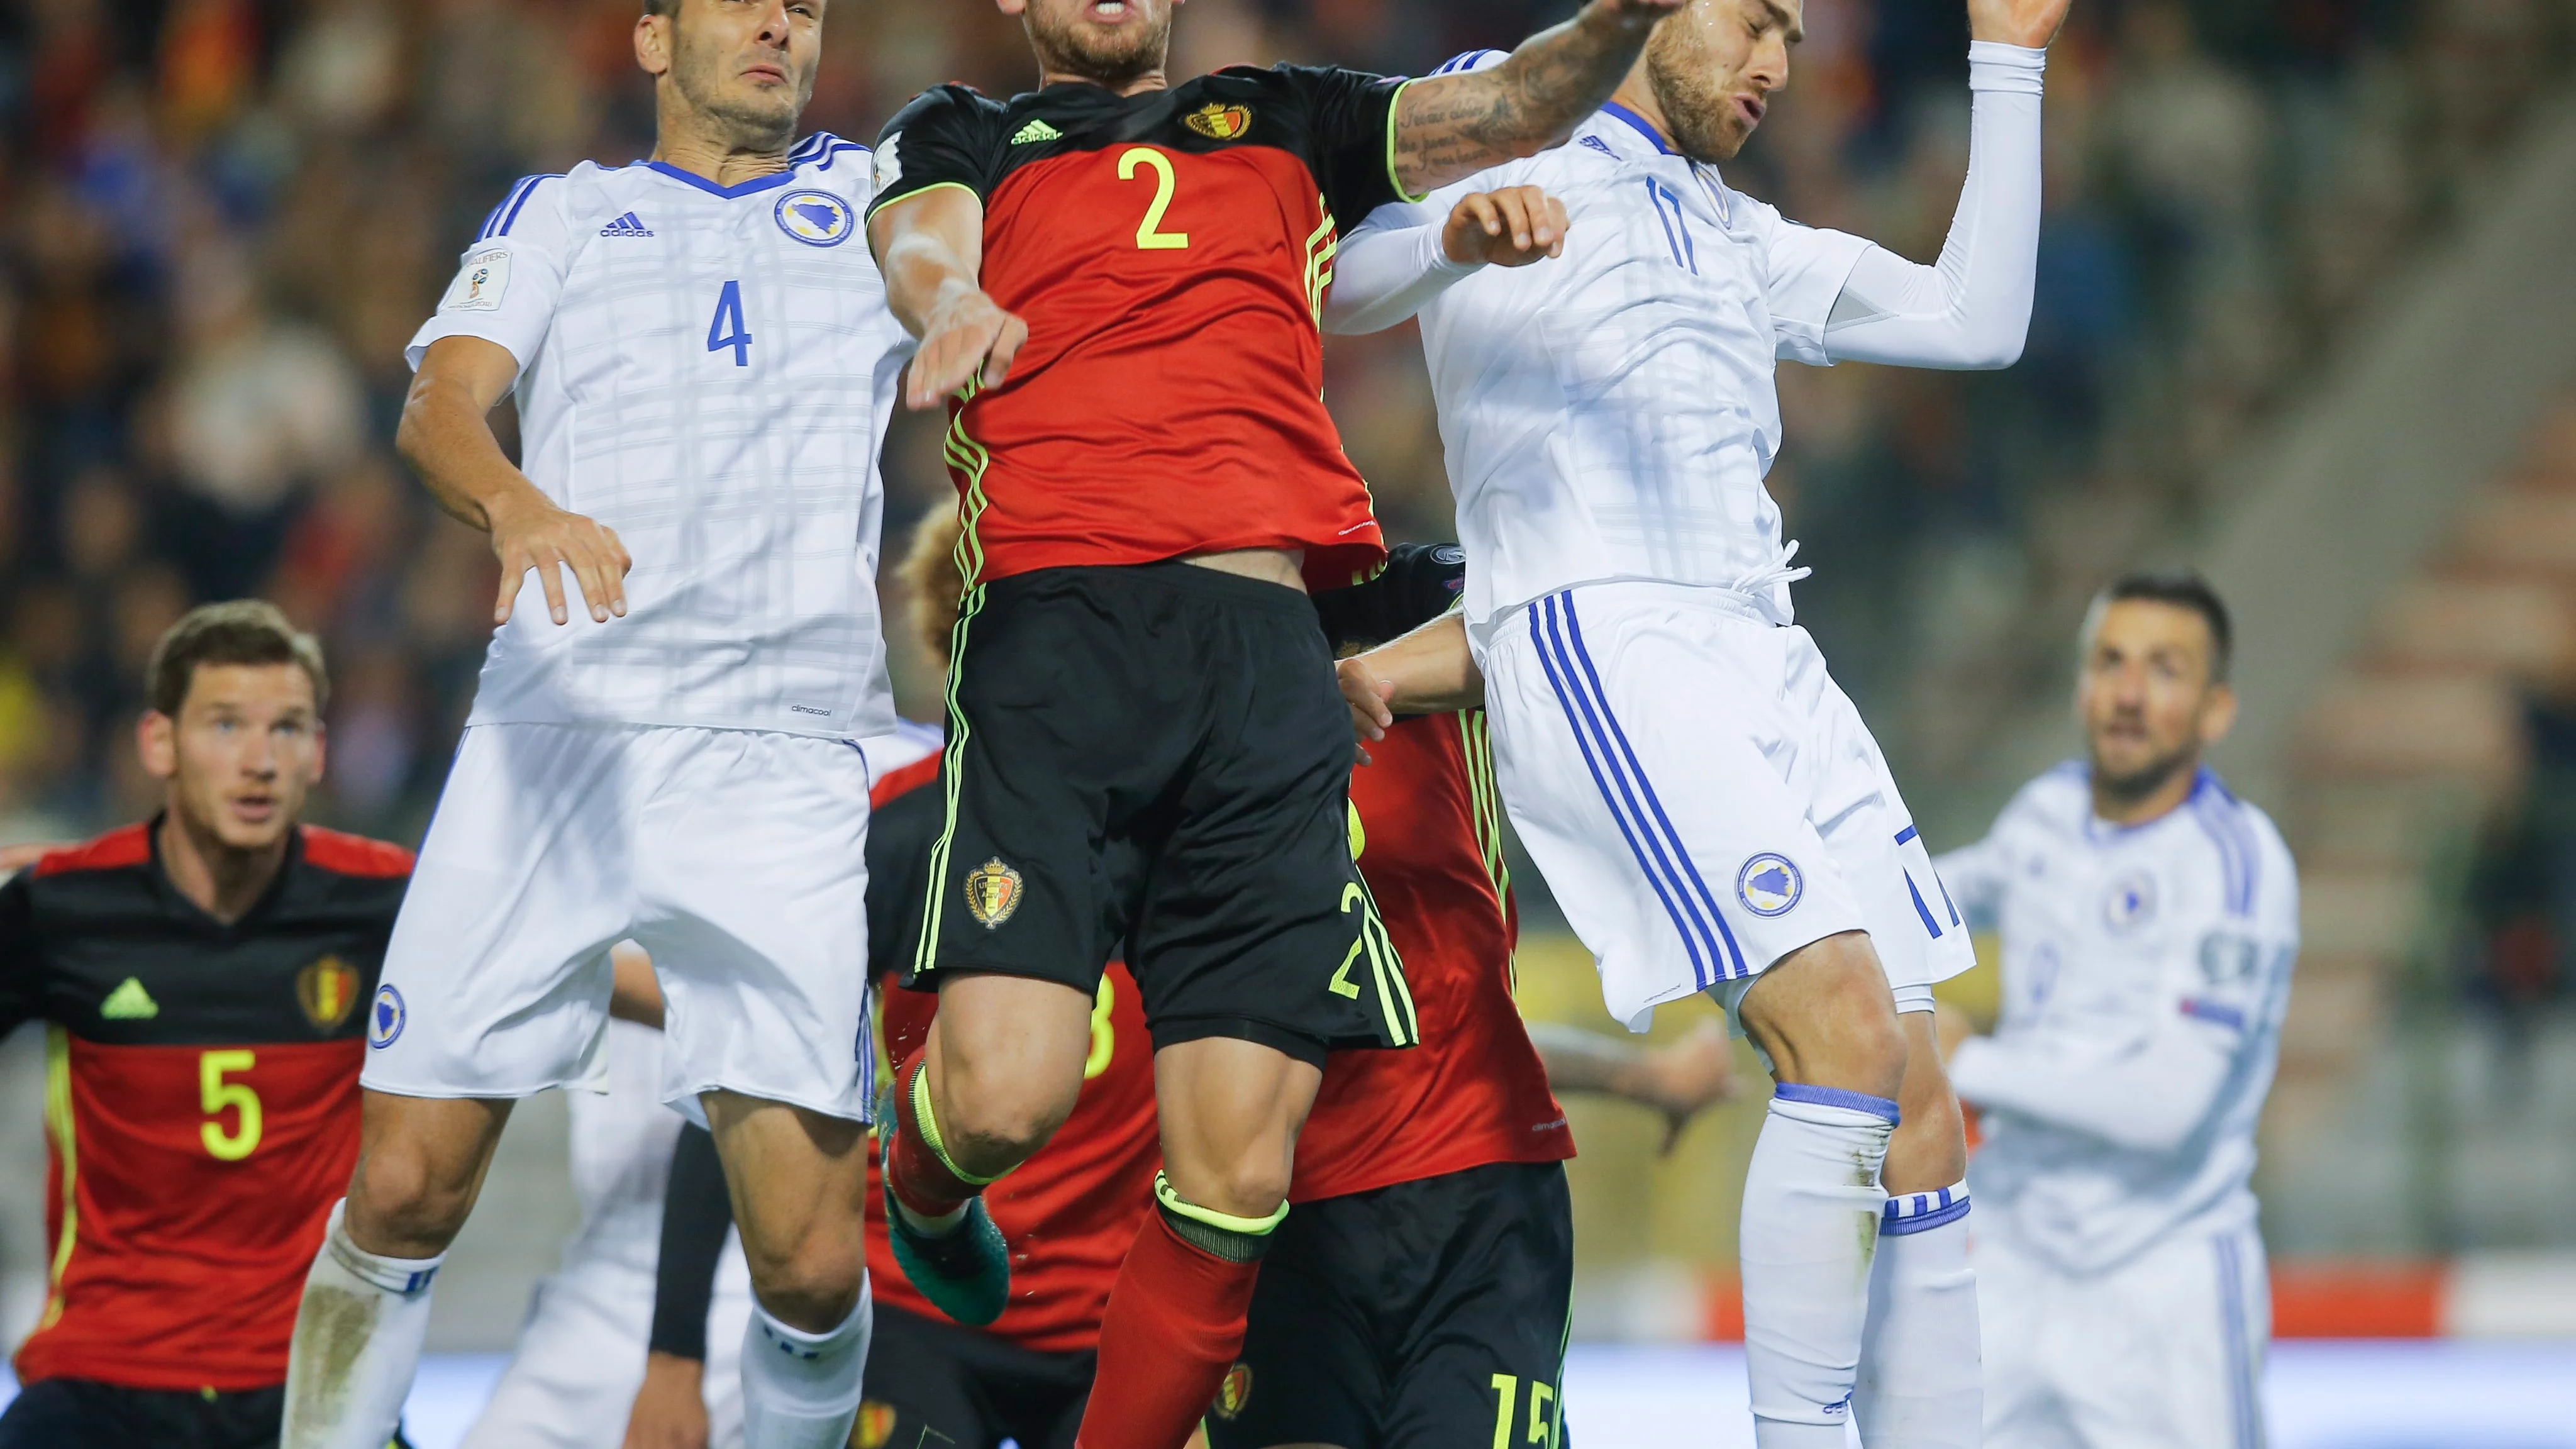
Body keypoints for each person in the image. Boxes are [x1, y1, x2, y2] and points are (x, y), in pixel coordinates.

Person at [860, 1, 1693, 1443]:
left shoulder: (1287, 116)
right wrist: (948, 304)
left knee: (1234, 1180)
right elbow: (917, 235)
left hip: (1262, 658)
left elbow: (1503, 109)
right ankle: (921, 1185)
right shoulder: (971, 135)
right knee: (1002, 1098)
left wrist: (1623, 15)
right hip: (1060, 638)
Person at [1322, 0, 2071, 1442]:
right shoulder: (1499, 103)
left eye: (1791, 37)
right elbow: (1330, 275)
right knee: (1843, 1036)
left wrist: (2008, 60)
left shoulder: (1734, 230)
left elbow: (1976, 324)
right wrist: (1452, 239)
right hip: (1602, 626)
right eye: (1751, 22)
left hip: (1762, 650)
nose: (1774, 66)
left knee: (1921, 1103)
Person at [631, 518, 1735, 1449]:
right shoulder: (1028, 802)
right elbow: (760, 1038)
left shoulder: (1404, 625)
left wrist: (1379, 673)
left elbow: (1547, 624)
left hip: (1454, 1201)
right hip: (1232, 1238)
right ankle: (930, 1179)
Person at [278, 3, 914, 1447]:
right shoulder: (568, 213)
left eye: (805, 8)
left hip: (784, 750)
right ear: (649, 40)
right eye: (742, 0)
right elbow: (441, 401)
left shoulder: (880, 197)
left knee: (811, 1265)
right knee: (402, 1191)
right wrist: (517, 504)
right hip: (559, 732)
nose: (777, 23)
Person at [1208, 541, 1736, 1449]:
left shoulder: (1400, 604)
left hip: (1471, 1208)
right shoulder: (1173, 702)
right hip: (1285, 1224)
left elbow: (1557, 606)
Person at [0, 601, 414, 1449]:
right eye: (226, 725)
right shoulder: (64, 906)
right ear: (160, 744)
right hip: (104, 1373)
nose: (259, 761)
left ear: (320, 754)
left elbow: (598, 977)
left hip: (309, 1385)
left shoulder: (384, 901)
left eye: (289, 728)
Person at [1935, 574, 2297, 1449]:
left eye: (2165, 671)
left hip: (2162, 1282)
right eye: (2110, 662)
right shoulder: (2044, 814)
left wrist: (1965, 1063)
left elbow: (2166, 1107)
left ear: (2216, 711)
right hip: (2011, 1256)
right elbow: (1921, 901)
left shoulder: (2236, 866)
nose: (2129, 694)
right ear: (2081, 685)